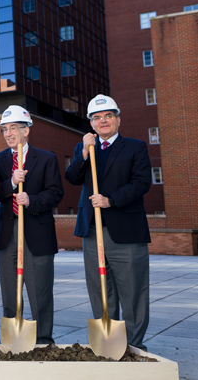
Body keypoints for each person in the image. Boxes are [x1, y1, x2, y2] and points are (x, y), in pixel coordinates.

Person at [65, 94, 152, 350]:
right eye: (97, 118)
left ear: (118, 120)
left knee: (133, 292)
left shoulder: (135, 147)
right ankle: (109, 344)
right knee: (101, 290)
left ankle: (134, 345)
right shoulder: (85, 148)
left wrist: (110, 200)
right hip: (93, 231)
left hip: (126, 232)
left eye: (108, 116)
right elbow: (72, 177)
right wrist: (82, 151)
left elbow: (141, 183)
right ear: (91, 124)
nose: (103, 121)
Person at [0, 105, 64, 345]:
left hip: (37, 233)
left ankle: (43, 339)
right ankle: (13, 340)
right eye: (5, 129)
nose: (8, 133)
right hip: (7, 235)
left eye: (13, 128)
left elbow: (55, 193)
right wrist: (11, 182)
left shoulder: (46, 158)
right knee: (10, 293)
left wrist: (31, 200)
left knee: (39, 291)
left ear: (26, 130)